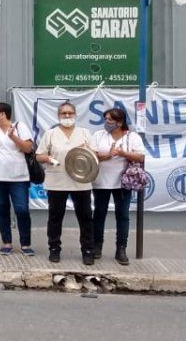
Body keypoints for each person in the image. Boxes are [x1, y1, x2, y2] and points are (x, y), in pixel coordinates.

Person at [36, 102, 95, 265]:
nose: (67, 116)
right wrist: (48, 158)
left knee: (85, 217)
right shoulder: (50, 134)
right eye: (63, 113)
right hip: (57, 181)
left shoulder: (84, 133)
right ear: (58, 116)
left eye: (70, 113)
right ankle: (54, 249)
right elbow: (39, 155)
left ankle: (88, 250)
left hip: (80, 182)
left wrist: (87, 151)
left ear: (75, 114)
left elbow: (95, 154)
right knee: (55, 217)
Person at [0, 102, 36, 256]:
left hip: (18, 176)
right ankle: (6, 242)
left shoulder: (19, 126)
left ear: (3, 114)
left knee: (21, 209)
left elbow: (28, 148)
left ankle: (25, 243)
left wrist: (13, 136)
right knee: (2, 208)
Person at [90, 107, 145, 266]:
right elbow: (93, 156)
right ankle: (97, 246)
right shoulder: (99, 135)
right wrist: (108, 155)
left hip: (123, 183)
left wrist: (122, 153)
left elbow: (140, 156)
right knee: (99, 214)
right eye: (106, 119)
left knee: (123, 216)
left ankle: (121, 249)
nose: (107, 122)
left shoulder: (132, 137)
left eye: (110, 120)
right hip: (101, 181)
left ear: (120, 122)